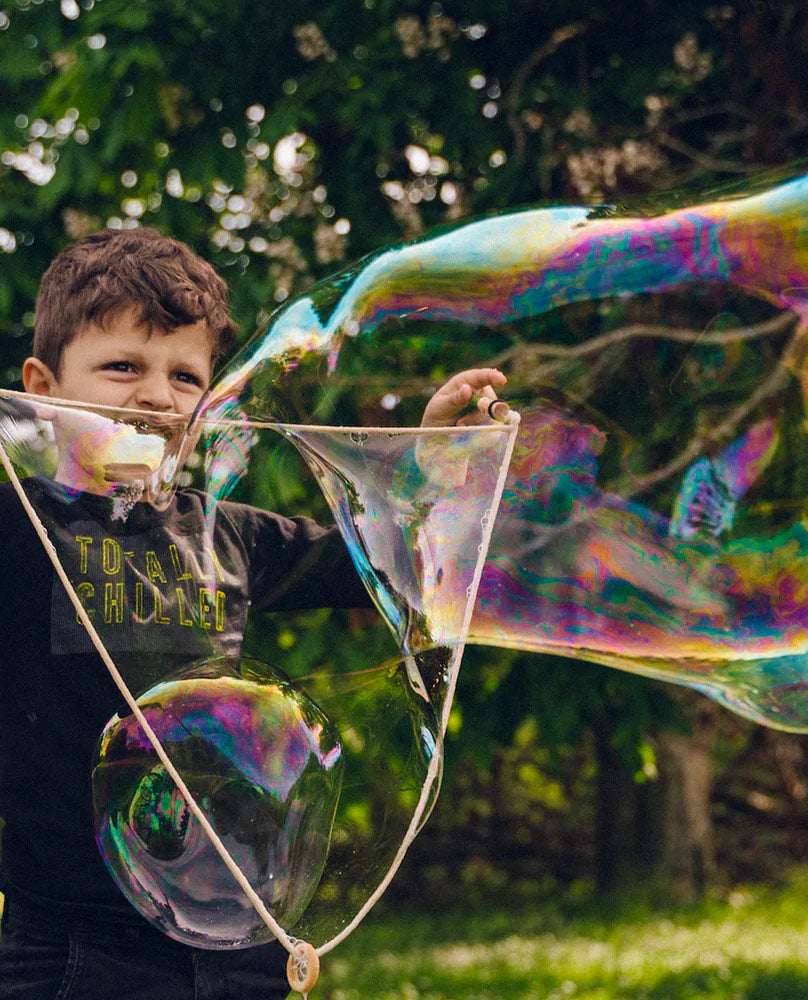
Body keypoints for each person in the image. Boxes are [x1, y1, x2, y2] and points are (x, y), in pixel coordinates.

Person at [0, 226, 506, 999]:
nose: (155, 394)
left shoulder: (224, 531)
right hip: (74, 942)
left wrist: (427, 470)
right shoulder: (18, 524)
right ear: (40, 384)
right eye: (121, 366)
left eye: (184, 375)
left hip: (236, 926)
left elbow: (375, 562)